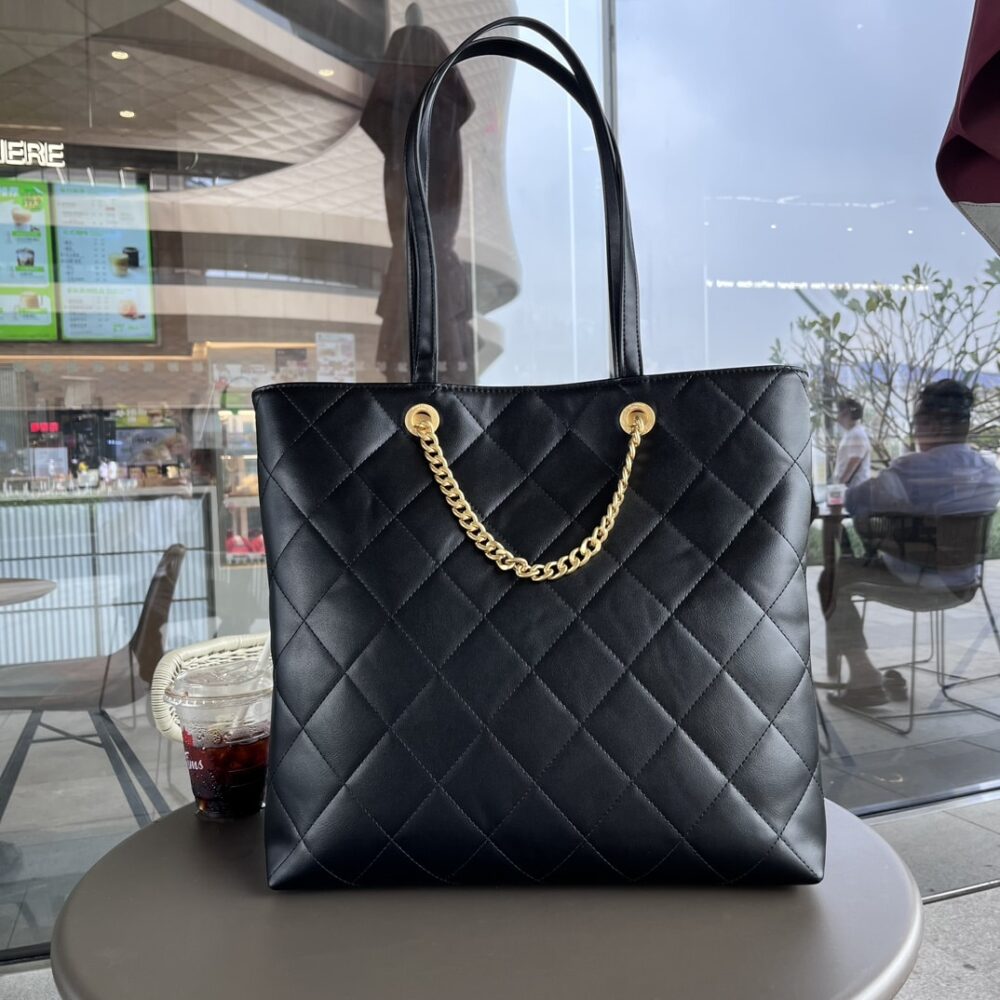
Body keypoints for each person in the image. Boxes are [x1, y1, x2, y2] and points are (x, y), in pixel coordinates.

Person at [823, 379, 1000, 708]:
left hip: (915, 584)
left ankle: (863, 677)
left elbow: (855, 501)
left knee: (832, 577)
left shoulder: (912, 470)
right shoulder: (989, 471)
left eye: (917, 423)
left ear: (931, 425)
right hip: (964, 584)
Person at [833, 397, 871, 487]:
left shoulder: (857, 434)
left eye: (842, 413)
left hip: (855, 488)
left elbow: (854, 462)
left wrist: (840, 484)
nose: (838, 417)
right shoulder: (851, 433)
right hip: (850, 488)